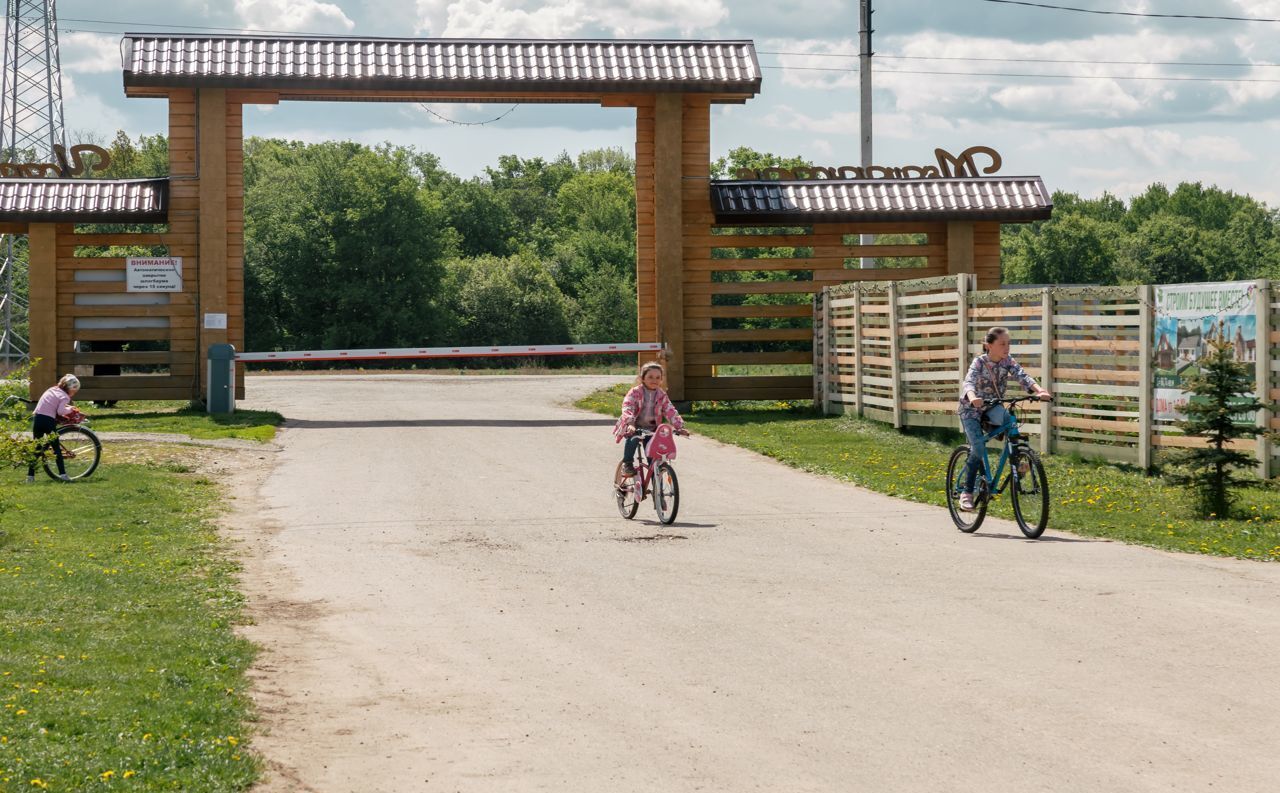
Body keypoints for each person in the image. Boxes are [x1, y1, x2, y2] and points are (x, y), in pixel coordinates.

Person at [956, 327, 1051, 511]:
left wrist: (1039, 391)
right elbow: (968, 381)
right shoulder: (979, 363)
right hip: (971, 409)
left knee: (1010, 422)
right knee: (978, 447)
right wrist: (972, 396)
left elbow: (1022, 375)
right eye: (1002, 344)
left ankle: (1017, 463)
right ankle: (966, 492)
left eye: (1008, 343)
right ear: (989, 346)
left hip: (992, 406)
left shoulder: (1007, 361)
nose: (1006, 347)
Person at [614, 361, 689, 478]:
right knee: (633, 438)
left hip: (651, 429)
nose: (654, 380)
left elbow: (670, 410)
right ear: (642, 378)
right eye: (650, 377)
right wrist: (631, 423)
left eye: (658, 377)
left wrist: (679, 427)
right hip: (634, 426)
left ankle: (655, 484)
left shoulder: (661, 395)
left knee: (653, 458)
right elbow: (628, 406)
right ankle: (627, 464)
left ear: (661, 380)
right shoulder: (635, 392)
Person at [28, 374, 80, 483]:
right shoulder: (65, 396)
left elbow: (53, 405)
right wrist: (71, 409)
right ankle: (63, 475)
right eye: (74, 392)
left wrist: (67, 407)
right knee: (57, 449)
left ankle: (30, 477)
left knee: (37, 448)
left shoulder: (52, 389)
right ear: (70, 389)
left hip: (37, 419)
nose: (73, 394)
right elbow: (61, 411)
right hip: (48, 422)